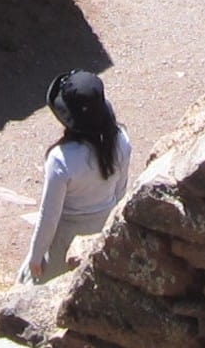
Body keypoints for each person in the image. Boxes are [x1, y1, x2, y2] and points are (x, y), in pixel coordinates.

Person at [19, 70, 133, 284]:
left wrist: (36, 257)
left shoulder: (61, 159)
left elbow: (49, 216)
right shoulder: (122, 141)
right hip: (103, 231)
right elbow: (120, 193)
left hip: (65, 241)